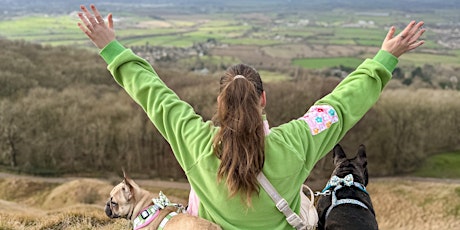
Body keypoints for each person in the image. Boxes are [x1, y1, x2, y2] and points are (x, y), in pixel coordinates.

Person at [77, 4, 425, 229]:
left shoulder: (193, 140)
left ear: (219, 103)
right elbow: (341, 105)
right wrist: (384, 59)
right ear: (263, 99)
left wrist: (111, 47)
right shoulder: (296, 141)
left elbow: (153, 94)